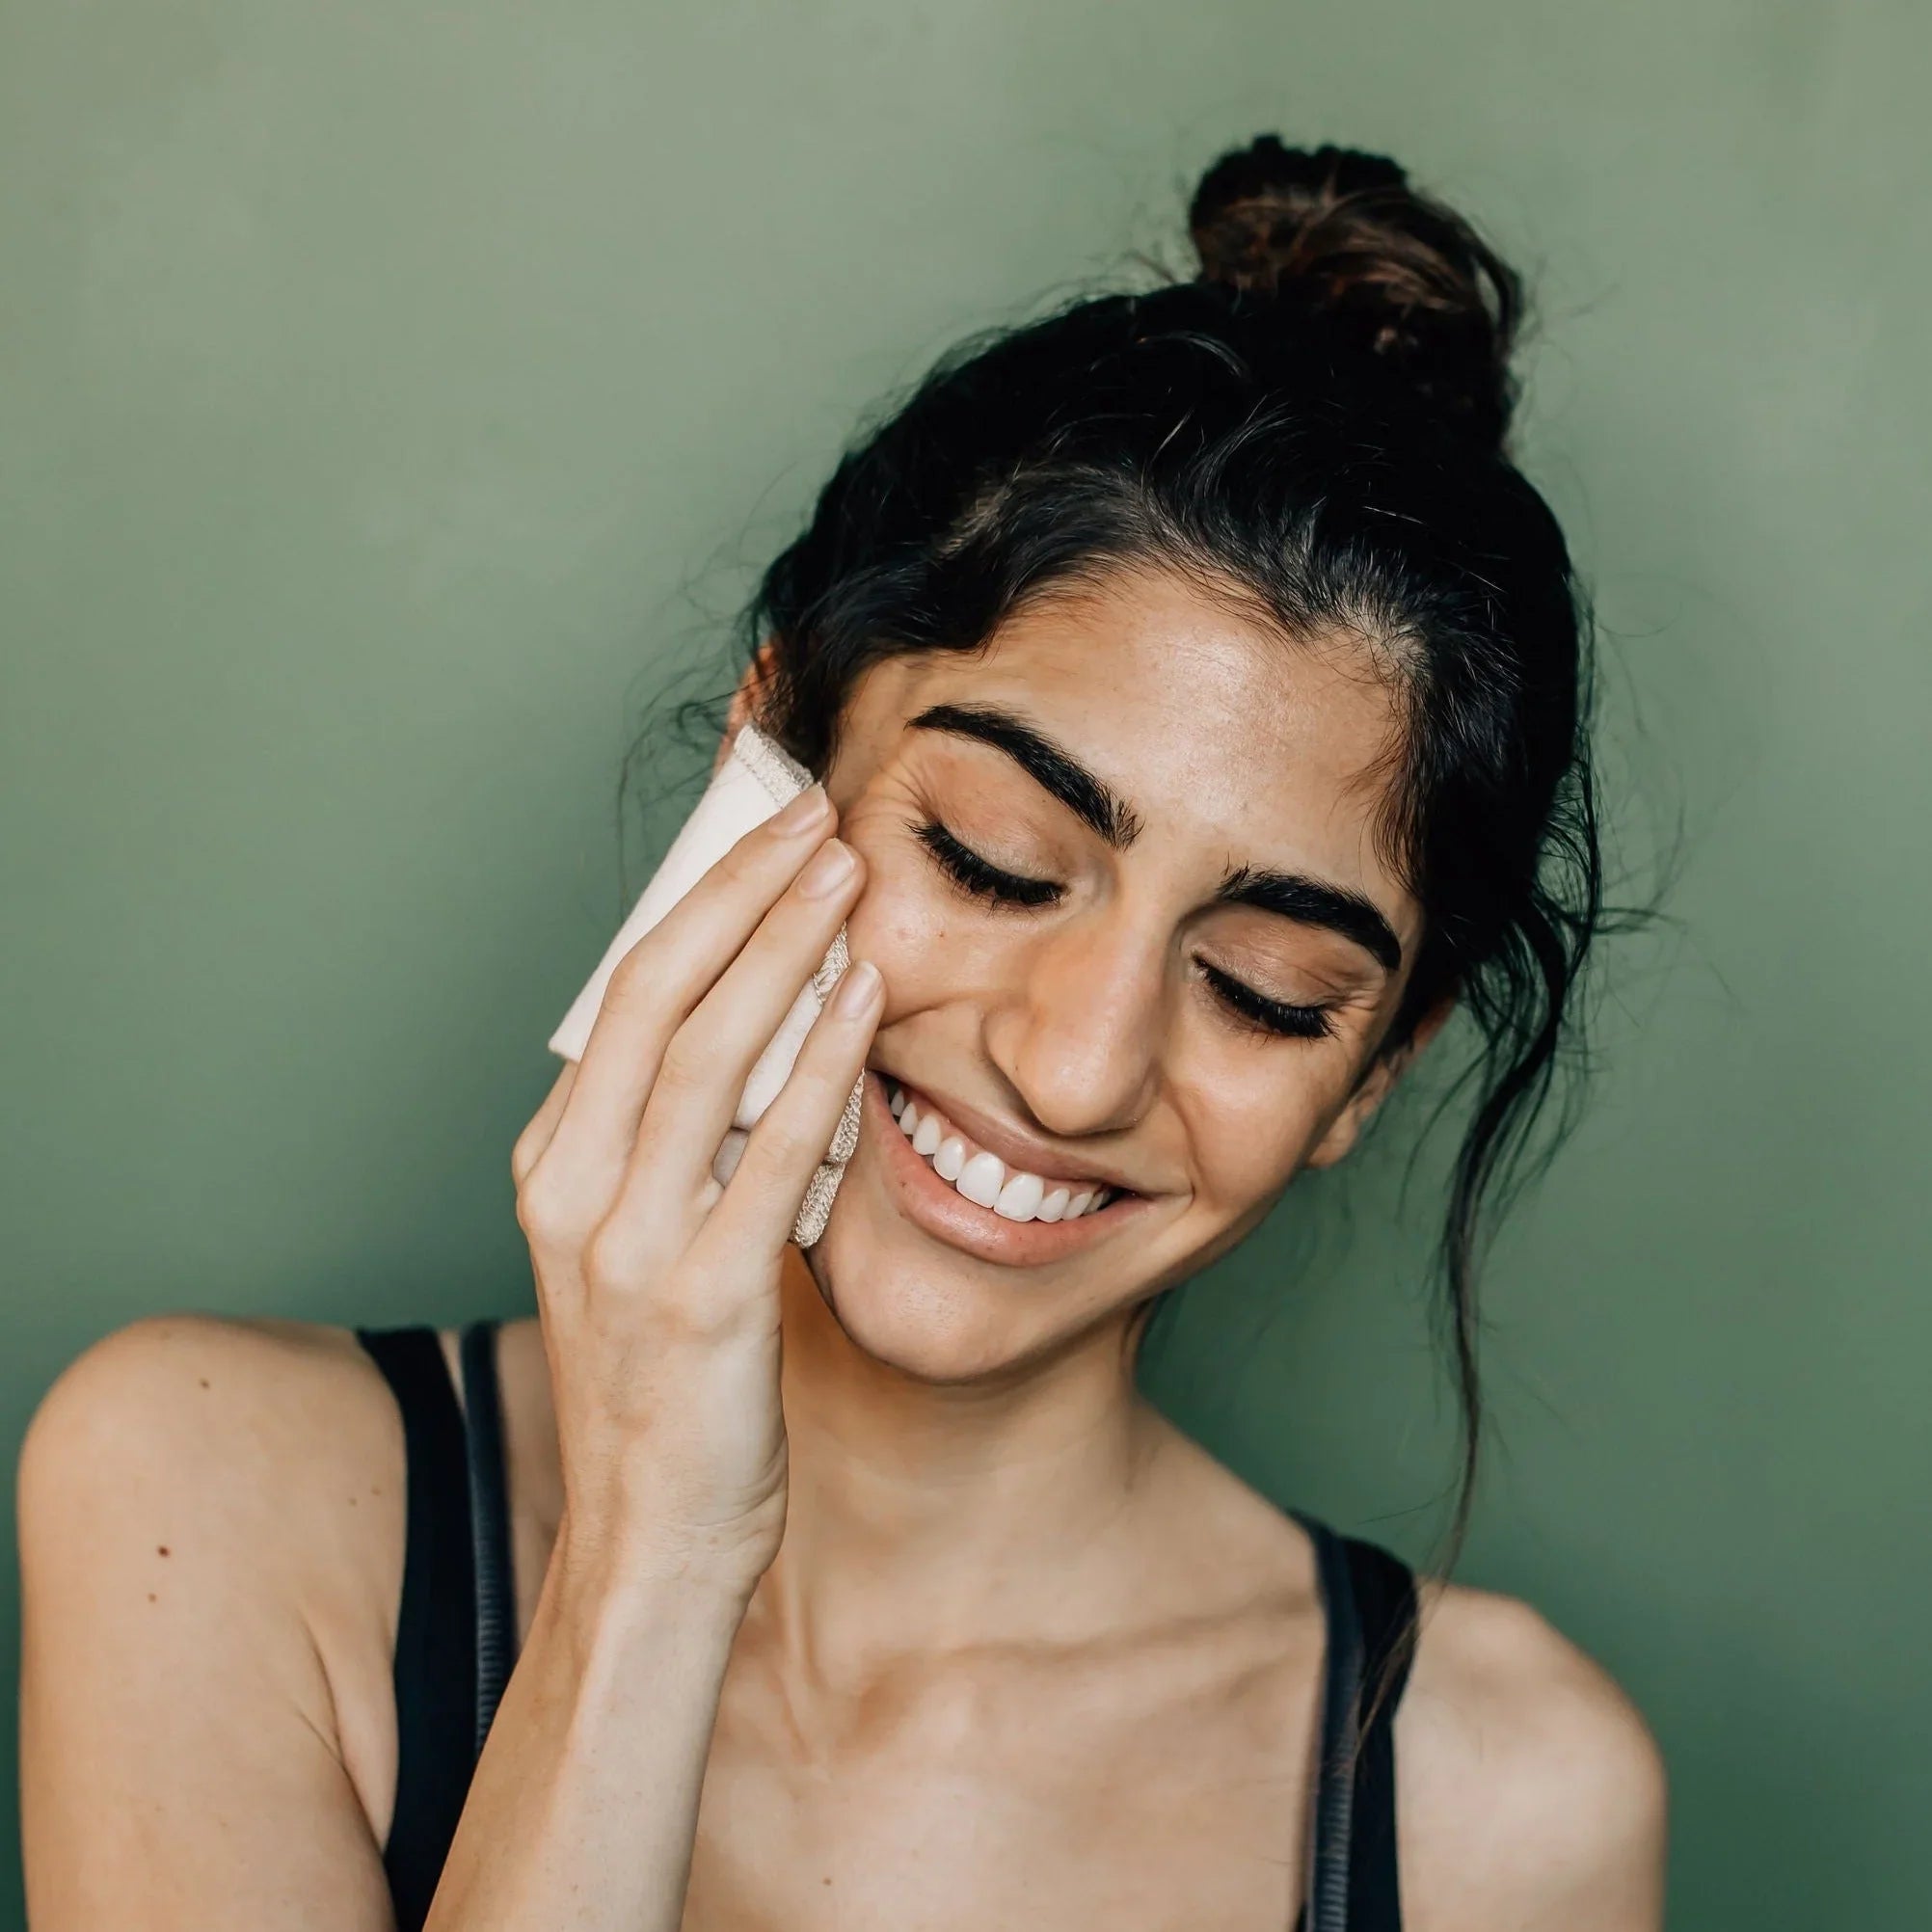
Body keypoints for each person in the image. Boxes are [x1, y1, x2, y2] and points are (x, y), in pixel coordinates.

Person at [16, 135, 1667, 1930]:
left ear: (1379, 1064)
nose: (1077, 1063)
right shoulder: (212, 1501)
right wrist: (652, 1553)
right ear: (770, 760)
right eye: (991, 857)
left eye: (1266, 988)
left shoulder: (1497, 1806)